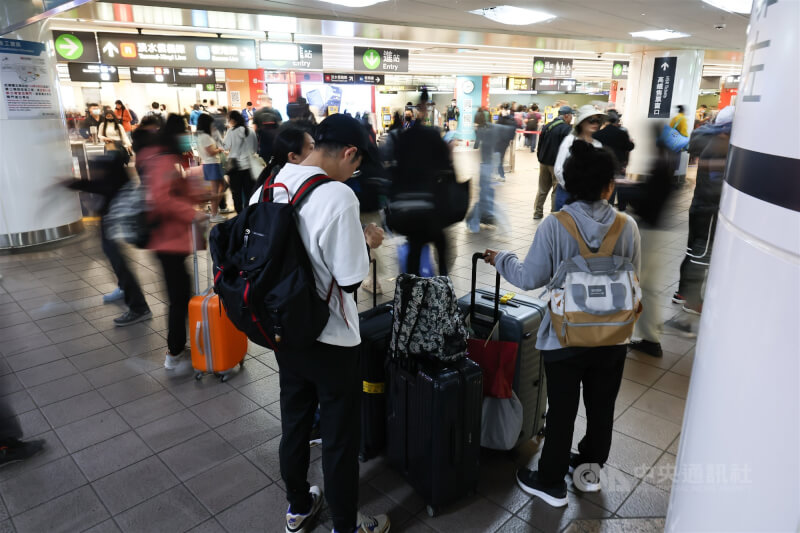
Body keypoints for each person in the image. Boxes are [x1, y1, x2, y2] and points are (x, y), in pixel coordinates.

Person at [249, 113, 389, 533]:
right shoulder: (338, 196)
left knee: (294, 420)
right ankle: (345, 525)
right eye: (358, 164)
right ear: (349, 153)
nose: (355, 173)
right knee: (339, 437)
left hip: (283, 330)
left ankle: (298, 505)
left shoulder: (269, 185)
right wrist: (366, 240)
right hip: (331, 339)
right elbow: (348, 281)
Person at [483, 140, 640, 508]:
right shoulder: (627, 226)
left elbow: (529, 277)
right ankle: (589, 471)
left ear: (567, 185)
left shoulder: (556, 225)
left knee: (563, 410)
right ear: (609, 186)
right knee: (602, 409)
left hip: (564, 337)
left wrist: (502, 258)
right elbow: (634, 276)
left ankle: (551, 481)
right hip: (614, 337)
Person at [138, 114, 205, 369]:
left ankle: (178, 349)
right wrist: (193, 213)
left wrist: (202, 192)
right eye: (184, 134)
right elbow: (162, 199)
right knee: (179, 298)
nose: (187, 138)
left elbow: (178, 194)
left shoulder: (171, 160)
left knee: (182, 296)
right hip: (167, 242)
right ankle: (174, 355)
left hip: (173, 240)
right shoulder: (163, 161)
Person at [64, 152, 153, 326]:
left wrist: (71, 182)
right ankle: (123, 288)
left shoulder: (113, 181)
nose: (94, 173)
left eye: (96, 170)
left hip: (115, 227)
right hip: (110, 227)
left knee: (120, 263)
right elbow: (95, 185)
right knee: (116, 261)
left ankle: (139, 307)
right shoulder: (116, 177)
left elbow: (96, 185)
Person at [672, 105, 735, 316]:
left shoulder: (713, 142)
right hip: (709, 208)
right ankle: (691, 300)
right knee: (700, 254)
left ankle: (682, 292)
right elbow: (717, 183)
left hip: (700, 205)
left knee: (694, 251)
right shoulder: (720, 146)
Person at [554, 105, 605, 211]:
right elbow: (558, 169)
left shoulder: (598, 145)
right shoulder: (570, 141)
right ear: (582, 122)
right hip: (567, 193)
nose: (595, 123)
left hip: (590, 197)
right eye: (591, 120)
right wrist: (571, 188)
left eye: (598, 120)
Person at [534, 106, 574, 219]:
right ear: (566, 115)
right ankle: (553, 215)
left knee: (542, 189)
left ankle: (537, 212)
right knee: (556, 191)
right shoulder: (566, 129)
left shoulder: (547, 126)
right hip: (556, 165)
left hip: (544, 163)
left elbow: (540, 144)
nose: (571, 119)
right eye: (571, 116)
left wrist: (540, 158)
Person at [222, 110, 258, 214]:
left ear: (233, 120)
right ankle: (249, 214)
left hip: (235, 168)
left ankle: (239, 215)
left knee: (236, 193)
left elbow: (226, 147)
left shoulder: (231, 131)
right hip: (249, 167)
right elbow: (255, 148)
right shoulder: (250, 131)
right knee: (249, 193)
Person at [196, 114, 226, 223]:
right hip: (212, 164)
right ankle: (214, 213)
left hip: (210, 164)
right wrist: (220, 149)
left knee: (223, 186)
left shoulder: (202, 136)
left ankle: (214, 211)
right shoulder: (206, 137)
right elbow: (211, 152)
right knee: (215, 190)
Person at [494, 105, 516, 181]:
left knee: (498, 158)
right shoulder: (511, 119)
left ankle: (500, 175)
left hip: (499, 141)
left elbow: (497, 126)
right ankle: (500, 174)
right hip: (506, 141)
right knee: (500, 158)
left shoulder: (501, 119)